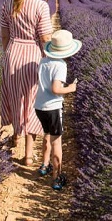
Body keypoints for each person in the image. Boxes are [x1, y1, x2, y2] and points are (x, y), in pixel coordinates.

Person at [0, 0, 53, 166]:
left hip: (13, 54)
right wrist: (48, 59)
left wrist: (8, 53)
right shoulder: (41, 6)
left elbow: (5, 35)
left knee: (15, 97)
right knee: (32, 102)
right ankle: (28, 155)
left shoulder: (8, 3)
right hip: (33, 56)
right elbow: (46, 37)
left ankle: (15, 136)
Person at [34, 29, 81, 190]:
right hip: (53, 107)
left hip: (39, 106)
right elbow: (55, 89)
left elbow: (45, 82)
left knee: (46, 135)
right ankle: (57, 177)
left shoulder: (43, 61)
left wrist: (62, 86)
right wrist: (71, 89)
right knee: (56, 143)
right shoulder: (61, 65)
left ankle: (44, 165)